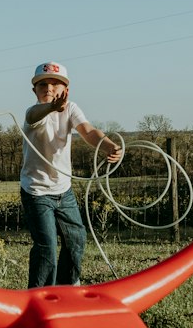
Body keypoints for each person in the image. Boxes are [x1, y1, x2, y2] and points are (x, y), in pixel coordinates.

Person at [19, 61, 123, 288]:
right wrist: (51, 107)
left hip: (63, 190)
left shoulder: (71, 108)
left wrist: (107, 146)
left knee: (76, 238)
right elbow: (33, 116)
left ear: (66, 90)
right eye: (43, 84)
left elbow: (87, 131)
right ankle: (41, 296)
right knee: (46, 246)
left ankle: (67, 287)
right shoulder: (34, 113)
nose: (49, 88)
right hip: (36, 191)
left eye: (56, 83)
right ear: (34, 90)